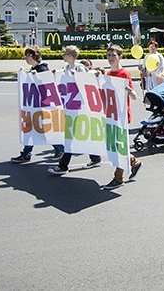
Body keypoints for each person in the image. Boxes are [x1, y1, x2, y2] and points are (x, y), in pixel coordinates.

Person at [48, 45, 103, 175]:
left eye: (65, 54)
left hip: (79, 107)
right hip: (70, 107)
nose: (63, 56)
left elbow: (87, 83)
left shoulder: (80, 68)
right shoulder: (66, 69)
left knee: (71, 136)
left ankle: (63, 166)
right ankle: (95, 158)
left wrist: (77, 76)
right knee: (78, 134)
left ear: (71, 56)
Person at [11, 45, 64, 163]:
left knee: (43, 128)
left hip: (42, 106)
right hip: (35, 105)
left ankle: (59, 149)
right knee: (32, 128)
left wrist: (35, 77)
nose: (26, 58)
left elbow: (46, 85)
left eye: (28, 55)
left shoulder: (42, 69)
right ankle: (27, 152)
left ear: (34, 56)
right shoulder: (35, 69)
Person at [102, 44, 143, 190]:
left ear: (120, 57)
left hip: (122, 115)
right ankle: (134, 162)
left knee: (120, 144)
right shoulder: (107, 75)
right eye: (108, 55)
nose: (110, 58)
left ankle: (118, 178)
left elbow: (134, 96)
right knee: (115, 145)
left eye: (113, 55)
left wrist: (128, 90)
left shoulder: (124, 74)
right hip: (111, 114)